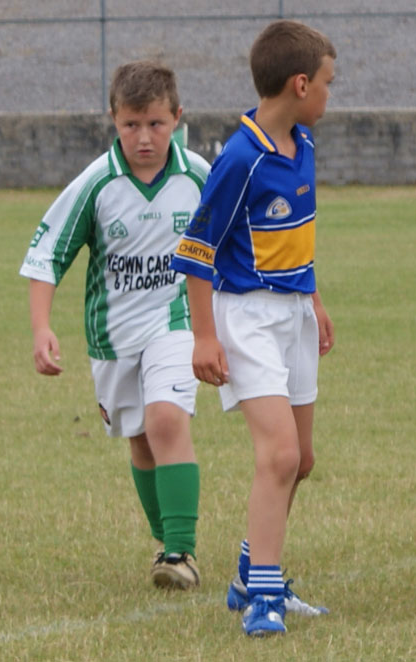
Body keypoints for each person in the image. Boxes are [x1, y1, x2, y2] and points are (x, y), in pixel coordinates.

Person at [171, 20, 336, 634]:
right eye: (326, 83)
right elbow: (196, 251)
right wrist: (204, 336)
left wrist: (313, 299)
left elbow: (297, 236)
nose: (328, 94)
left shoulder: (304, 145)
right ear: (299, 84)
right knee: (278, 454)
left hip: (293, 312)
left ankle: (250, 571)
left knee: (303, 459)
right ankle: (264, 599)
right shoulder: (240, 158)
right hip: (247, 317)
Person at [20, 60, 210, 590]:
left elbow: (233, 244)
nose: (143, 137)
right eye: (131, 125)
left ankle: (180, 552)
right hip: (112, 337)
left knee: (167, 421)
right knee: (141, 440)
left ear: (177, 117)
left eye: (155, 123)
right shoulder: (96, 183)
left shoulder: (198, 175)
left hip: (174, 321)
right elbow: (47, 256)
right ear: (113, 120)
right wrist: (41, 328)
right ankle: (166, 543)